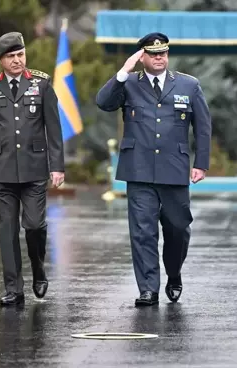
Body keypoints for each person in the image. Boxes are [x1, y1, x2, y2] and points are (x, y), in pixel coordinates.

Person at [96, 32, 211, 306]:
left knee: (178, 228)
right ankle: (148, 289)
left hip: (174, 169)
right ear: (142, 56)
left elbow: (203, 127)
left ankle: (174, 273)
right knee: (143, 231)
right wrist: (123, 71)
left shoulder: (188, 85)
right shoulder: (129, 84)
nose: (159, 58)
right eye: (153, 53)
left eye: (163, 53)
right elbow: (103, 102)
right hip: (139, 170)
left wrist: (201, 164)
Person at [0, 31, 65, 307]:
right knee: (7, 230)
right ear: (1, 60)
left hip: (35, 169)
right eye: (11, 56)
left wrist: (57, 167)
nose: (17, 60)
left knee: (34, 225)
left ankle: (38, 268)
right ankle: (13, 288)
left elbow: (54, 130)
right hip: (2, 171)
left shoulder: (42, 84)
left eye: (20, 54)